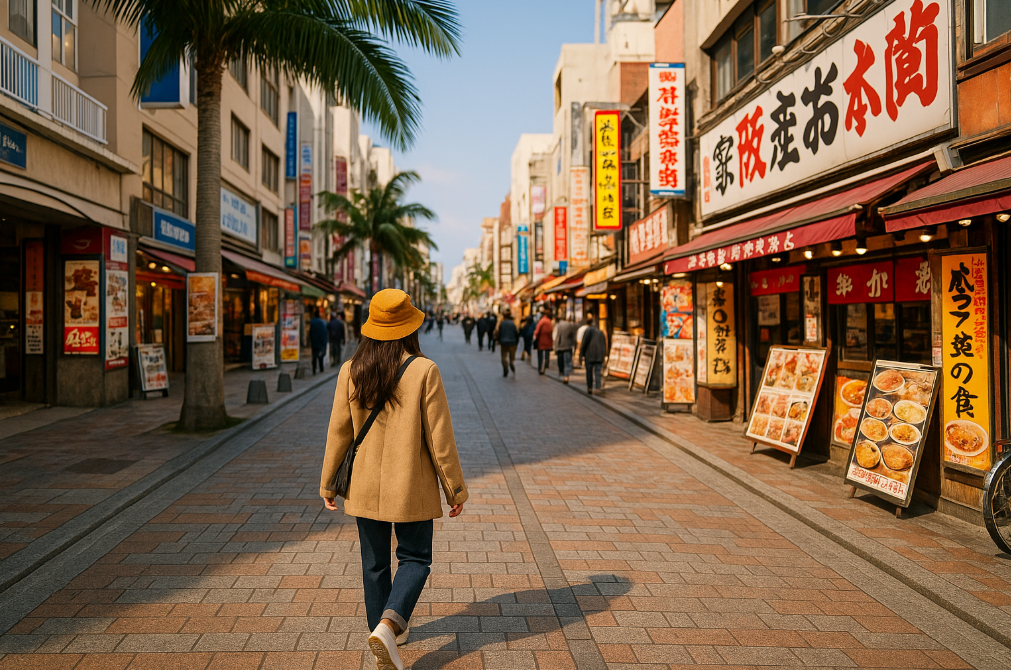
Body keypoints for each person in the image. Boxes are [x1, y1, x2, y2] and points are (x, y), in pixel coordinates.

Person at [320, 289, 468, 670]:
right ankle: (388, 628)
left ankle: (382, 633)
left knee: (374, 563)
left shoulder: (351, 369)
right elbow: (440, 440)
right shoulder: (424, 369)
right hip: (410, 485)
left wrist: (328, 484)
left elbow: (339, 432)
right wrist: (454, 488)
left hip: (363, 484)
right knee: (415, 558)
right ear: (409, 327)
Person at [579, 313, 607, 394]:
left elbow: (584, 343)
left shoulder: (588, 330)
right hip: (599, 355)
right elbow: (604, 345)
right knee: (598, 372)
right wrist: (604, 355)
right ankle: (598, 387)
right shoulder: (601, 332)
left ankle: (590, 387)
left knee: (589, 372)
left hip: (589, 355)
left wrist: (581, 355)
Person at [494, 308, 520, 377]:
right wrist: (516, 341)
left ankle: (505, 369)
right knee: (511, 358)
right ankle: (511, 364)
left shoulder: (502, 323)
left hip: (504, 342)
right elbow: (516, 333)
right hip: (512, 343)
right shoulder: (513, 323)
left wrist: (498, 340)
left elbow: (498, 332)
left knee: (504, 357)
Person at [553, 313, 576, 384]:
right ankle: (566, 376)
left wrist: (555, 347)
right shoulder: (570, 325)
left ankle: (562, 374)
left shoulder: (558, 326)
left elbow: (556, 337)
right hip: (568, 346)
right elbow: (572, 336)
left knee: (561, 361)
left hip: (560, 346)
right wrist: (573, 346)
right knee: (567, 362)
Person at [532, 309, 554, 375]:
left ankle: (540, 368)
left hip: (541, 342)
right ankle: (544, 367)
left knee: (540, 356)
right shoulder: (549, 321)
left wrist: (534, 337)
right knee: (546, 356)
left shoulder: (542, 321)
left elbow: (537, 330)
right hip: (548, 341)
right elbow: (550, 332)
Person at [309, 309, 329, 375]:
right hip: (320, 342)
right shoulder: (321, 323)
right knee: (320, 356)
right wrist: (324, 342)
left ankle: (314, 370)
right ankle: (321, 368)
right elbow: (324, 333)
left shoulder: (312, 322)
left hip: (314, 342)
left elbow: (310, 332)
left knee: (314, 356)